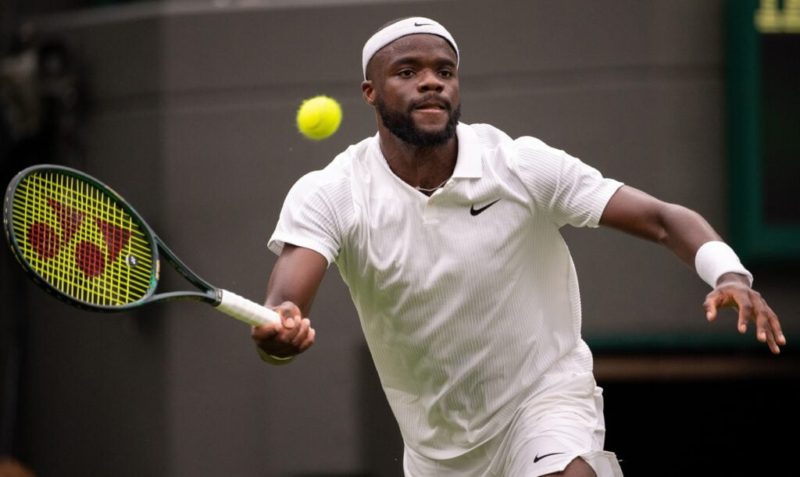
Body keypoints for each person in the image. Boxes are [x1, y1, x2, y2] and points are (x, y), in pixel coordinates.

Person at [251, 17, 785, 477]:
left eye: (444, 71)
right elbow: (283, 308)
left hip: (544, 396)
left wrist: (729, 275)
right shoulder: (332, 192)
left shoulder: (521, 165)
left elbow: (664, 220)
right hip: (438, 449)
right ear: (370, 92)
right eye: (408, 72)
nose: (431, 83)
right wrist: (281, 333)